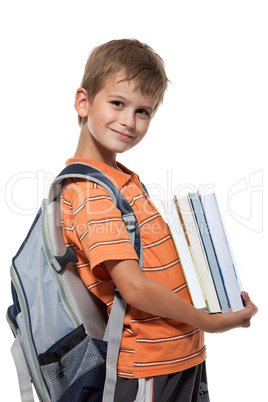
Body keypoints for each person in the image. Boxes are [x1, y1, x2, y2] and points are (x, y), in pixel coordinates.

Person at [60, 39, 257, 401]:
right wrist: (210, 323)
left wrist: (219, 300)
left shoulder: (121, 179)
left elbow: (157, 269)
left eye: (143, 111)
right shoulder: (91, 192)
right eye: (117, 103)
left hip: (178, 354)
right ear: (83, 102)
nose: (129, 121)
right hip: (147, 367)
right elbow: (134, 288)